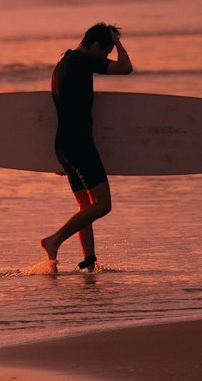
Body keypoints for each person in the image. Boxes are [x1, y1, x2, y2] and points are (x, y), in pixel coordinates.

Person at [40, 22, 133, 272]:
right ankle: (54, 240)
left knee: (85, 207)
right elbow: (126, 68)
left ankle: (89, 260)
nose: (105, 58)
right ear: (94, 45)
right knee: (103, 205)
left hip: (64, 144)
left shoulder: (63, 63)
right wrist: (119, 43)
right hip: (79, 144)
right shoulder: (82, 60)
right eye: (105, 52)